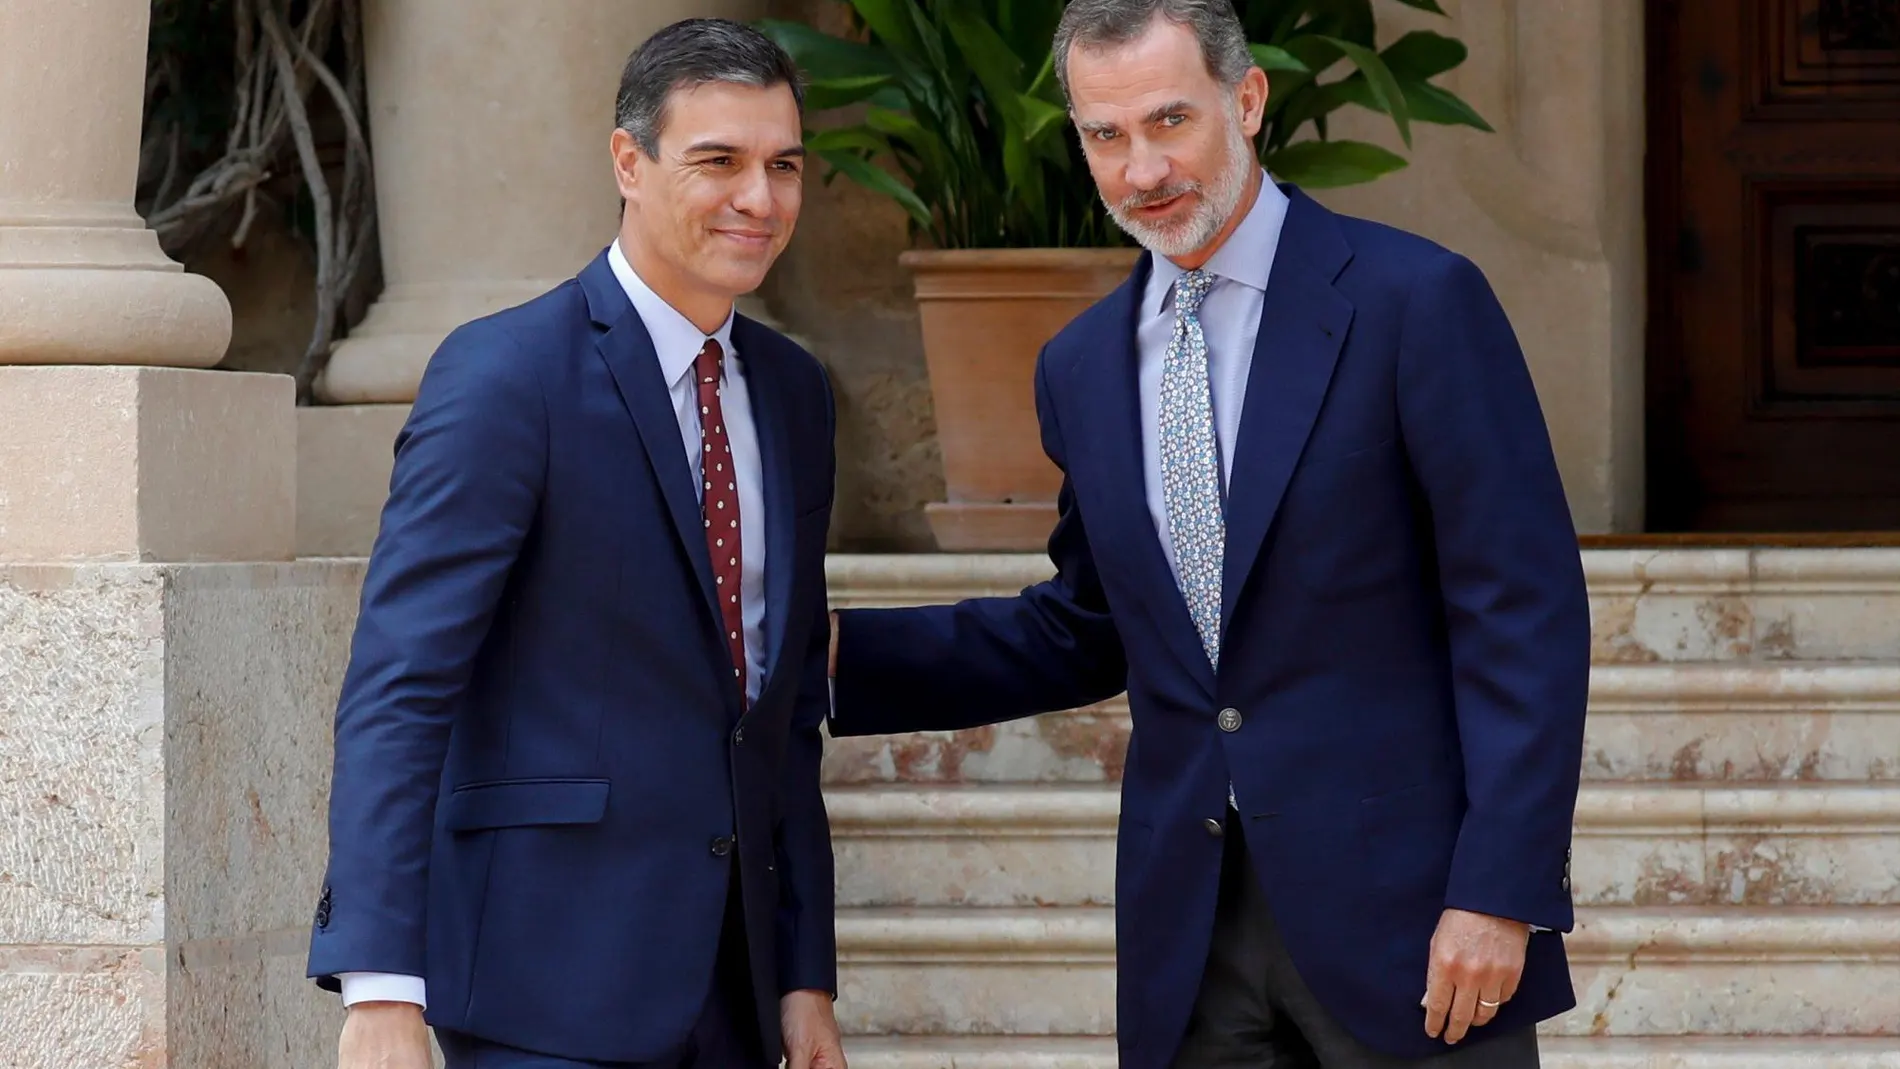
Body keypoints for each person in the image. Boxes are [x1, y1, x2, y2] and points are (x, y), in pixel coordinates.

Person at [825, 1, 1589, 1067]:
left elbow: (1522, 611)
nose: (1141, 170)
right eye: (1105, 135)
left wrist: (1500, 889)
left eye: (1169, 121)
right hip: (1188, 941)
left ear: (1248, 100)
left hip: (1412, 924)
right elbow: (1088, 626)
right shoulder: (1080, 366)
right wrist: (830, 654)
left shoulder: (1416, 302)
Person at [307, 18, 846, 1069]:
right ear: (628, 164)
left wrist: (803, 972)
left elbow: (780, 718)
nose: (760, 198)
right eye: (719, 161)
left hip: (735, 997)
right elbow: (401, 685)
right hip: (539, 992)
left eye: (783, 165)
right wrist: (380, 984)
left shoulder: (795, 394)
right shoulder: (506, 376)